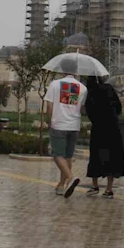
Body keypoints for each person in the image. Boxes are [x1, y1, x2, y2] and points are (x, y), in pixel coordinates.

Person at [43, 59, 87, 198]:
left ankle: (70, 177)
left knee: (57, 155)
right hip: (74, 126)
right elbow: (80, 108)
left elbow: (49, 106)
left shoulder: (55, 84)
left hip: (59, 124)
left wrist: (49, 121)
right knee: (67, 156)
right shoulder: (83, 88)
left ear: (62, 69)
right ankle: (61, 186)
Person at [84, 76, 124, 199]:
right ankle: (109, 189)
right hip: (113, 128)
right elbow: (119, 108)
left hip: (99, 128)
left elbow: (89, 112)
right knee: (112, 157)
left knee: (95, 156)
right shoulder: (109, 88)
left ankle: (95, 186)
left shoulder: (91, 93)